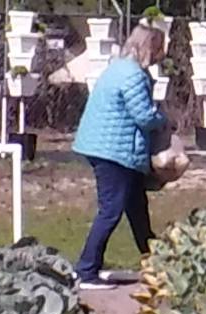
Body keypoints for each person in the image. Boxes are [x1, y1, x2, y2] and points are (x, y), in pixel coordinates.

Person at [70, 25, 168, 290]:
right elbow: (144, 116)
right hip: (115, 151)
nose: (160, 56)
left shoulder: (116, 67)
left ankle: (158, 264)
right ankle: (86, 271)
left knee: (137, 209)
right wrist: (164, 120)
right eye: (159, 49)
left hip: (106, 147)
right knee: (111, 210)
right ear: (149, 47)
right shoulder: (133, 75)